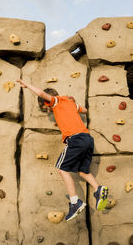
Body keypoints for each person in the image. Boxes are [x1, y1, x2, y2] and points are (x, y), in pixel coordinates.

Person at [16, 79, 108, 221]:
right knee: (83, 171)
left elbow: (41, 93)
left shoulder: (56, 101)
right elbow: (84, 110)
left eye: (46, 107)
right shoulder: (69, 102)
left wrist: (27, 85)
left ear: (47, 101)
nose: (49, 110)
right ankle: (98, 189)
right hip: (88, 139)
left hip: (76, 140)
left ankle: (74, 202)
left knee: (62, 168)